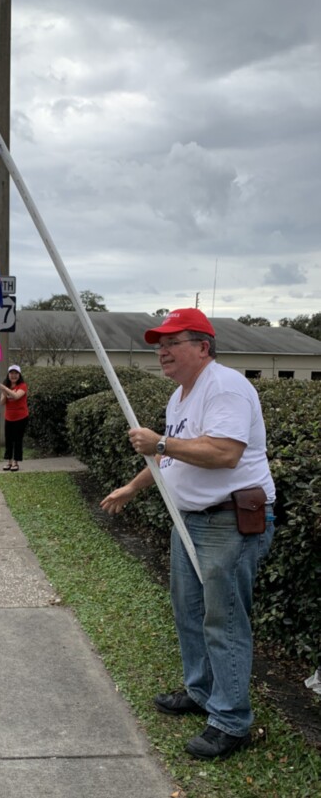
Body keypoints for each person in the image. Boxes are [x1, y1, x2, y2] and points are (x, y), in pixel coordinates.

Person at [100, 308, 275, 761]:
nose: (162, 352)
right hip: (191, 520)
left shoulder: (226, 387)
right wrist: (134, 487)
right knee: (189, 611)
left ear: (203, 347)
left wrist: (160, 442)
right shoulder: (181, 396)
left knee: (224, 621)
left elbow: (224, 453)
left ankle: (231, 720)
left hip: (228, 521)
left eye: (172, 343)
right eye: (159, 344)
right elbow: (173, 458)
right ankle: (201, 693)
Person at [0, 364, 28, 472]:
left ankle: (16, 462)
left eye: (16, 373)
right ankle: (9, 461)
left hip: (21, 417)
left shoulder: (23, 386)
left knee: (17, 440)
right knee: (9, 440)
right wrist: (4, 392)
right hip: (9, 417)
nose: (13, 376)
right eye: (11, 373)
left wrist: (5, 388)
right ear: (8, 375)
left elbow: (16, 397)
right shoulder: (7, 386)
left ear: (19, 375)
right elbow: (2, 403)